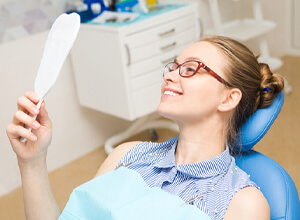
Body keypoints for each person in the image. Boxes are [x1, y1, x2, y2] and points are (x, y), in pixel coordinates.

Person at [6, 35, 284, 220]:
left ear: (228, 98)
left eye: (190, 68)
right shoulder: (126, 155)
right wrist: (32, 161)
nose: (171, 76)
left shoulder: (242, 203)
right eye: (173, 67)